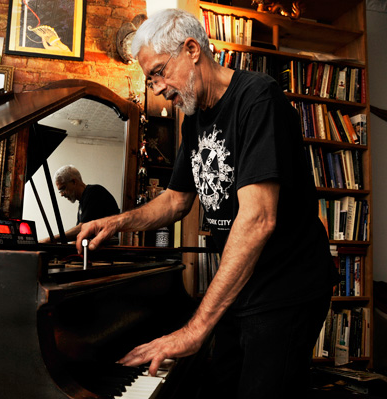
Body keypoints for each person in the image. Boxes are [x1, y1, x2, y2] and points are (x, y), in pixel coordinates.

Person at [75, 9, 337, 399]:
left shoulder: (258, 98)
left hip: (286, 287)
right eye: (150, 79)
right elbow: (176, 201)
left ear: (192, 49)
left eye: (159, 72)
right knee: (218, 386)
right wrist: (118, 222)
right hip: (241, 284)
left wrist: (195, 329)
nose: (157, 88)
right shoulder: (192, 121)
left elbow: (258, 218)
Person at [41, 165, 120, 243]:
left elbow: (82, 229)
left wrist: (50, 240)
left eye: (63, 188)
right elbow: (78, 236)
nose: (61, 194)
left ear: (74, 182)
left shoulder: (94, 192)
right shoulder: (83, 202)